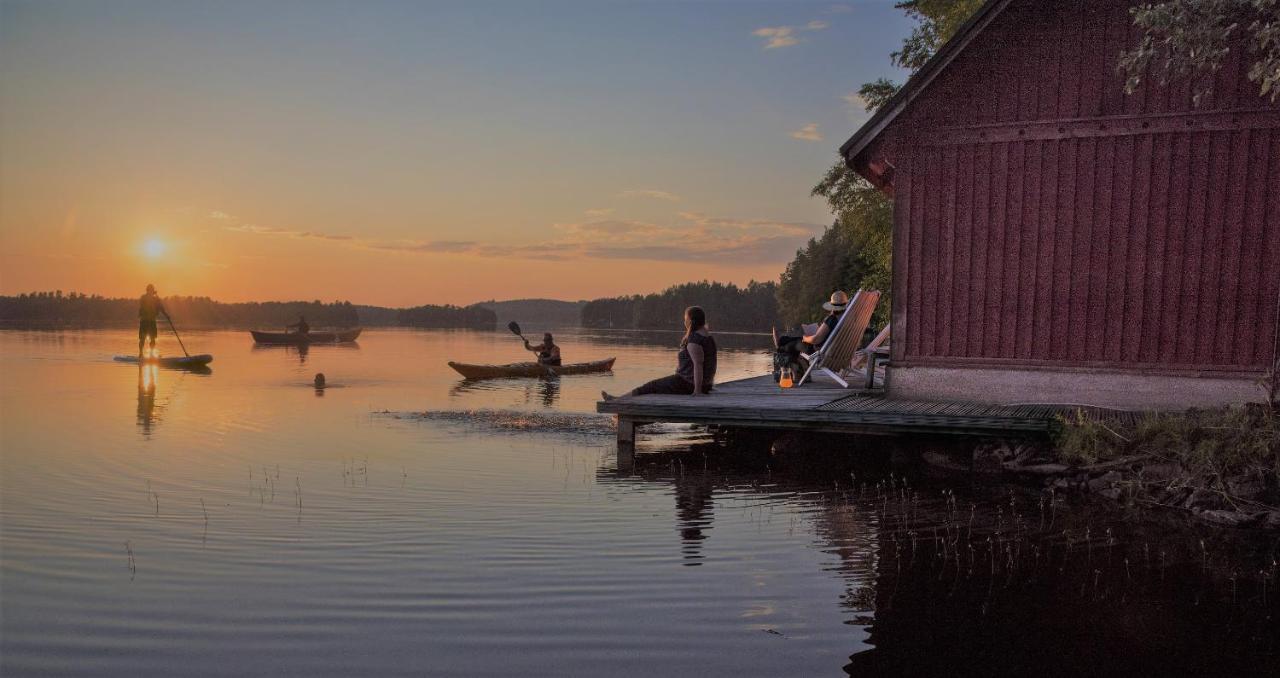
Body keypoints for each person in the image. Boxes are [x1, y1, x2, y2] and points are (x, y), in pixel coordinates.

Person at [602, 306, 716, 399]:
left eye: (685, 319)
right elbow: (710, 365)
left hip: (687, 384)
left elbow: (698, 365)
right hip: (699, 384)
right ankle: (620, 399)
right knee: (654, 387)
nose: (684, 321)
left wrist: (697, 391)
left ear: (690, 321)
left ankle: (618, 400)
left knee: (651, 386)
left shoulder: (694, 340)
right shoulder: (707, 337)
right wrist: (708, 384)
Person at [773, 290, 849, 367]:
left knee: (794, 344)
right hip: (841, 353)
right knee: (795, 340)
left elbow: (815, 340)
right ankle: (781, 342)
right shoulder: (847, 318)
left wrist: (805, 338)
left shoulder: (832, 319)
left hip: (823, 352)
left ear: (833, 307)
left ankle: (780, 346)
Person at [138, 284, 166, 357]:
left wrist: (167, 315)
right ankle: (140, 353)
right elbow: (144, 305)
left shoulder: (155, 299)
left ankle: (151, 354)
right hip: (144, 321)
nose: (151, 291)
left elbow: (161, 308)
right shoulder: (143, 298)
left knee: (153, 338)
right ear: (147, 290)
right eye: (150, 290)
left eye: (152, 290)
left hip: (152, 321)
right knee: (142, 338)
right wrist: (155, 299)